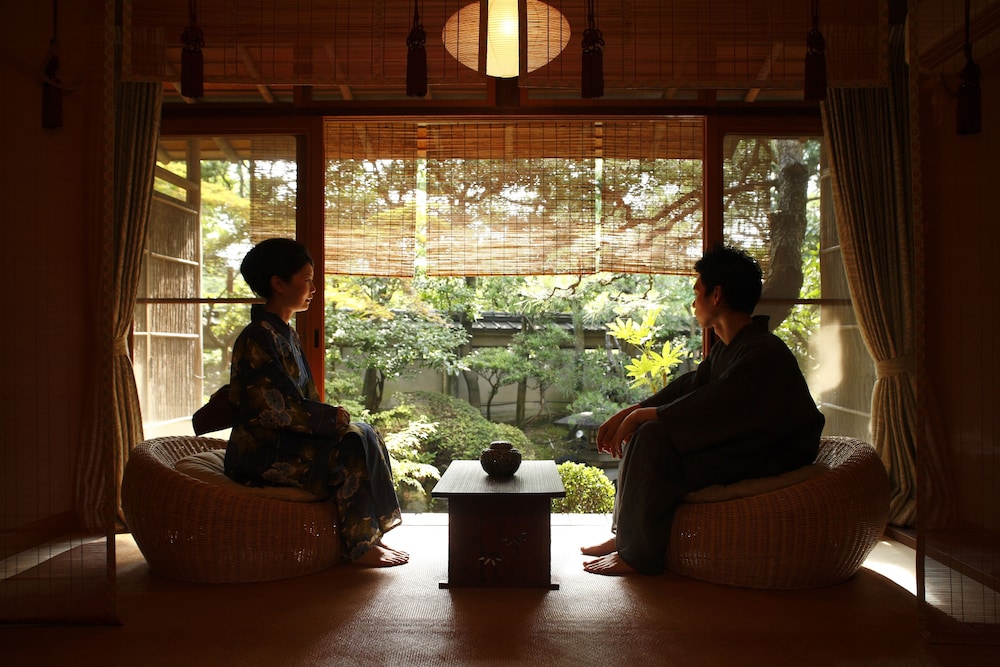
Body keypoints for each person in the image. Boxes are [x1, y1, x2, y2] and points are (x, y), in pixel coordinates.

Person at [582, 244, 825, 576]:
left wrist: (642, 417)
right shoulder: (732, 349)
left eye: (697, 292)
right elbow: (691, 387)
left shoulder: (762, 352)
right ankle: (627, 537)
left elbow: (712, 406)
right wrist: (634, 410)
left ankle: (637, 554)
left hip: (773, 453)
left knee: (653, 437)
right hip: (745, 446)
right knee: (647, 431)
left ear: (717, 295)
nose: (693, 302)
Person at [224, 238, 408, 568]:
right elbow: (269, 407)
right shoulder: (258, 336)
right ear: (278, 283)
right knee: (350, 446)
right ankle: (358, 544)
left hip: (285, 439)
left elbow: (299, 400)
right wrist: (327, 419)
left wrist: (329, 419)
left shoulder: (285, 333)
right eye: (306, 279)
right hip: (261, 451)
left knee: (364, 433)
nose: (313, 287)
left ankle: (370, 535)